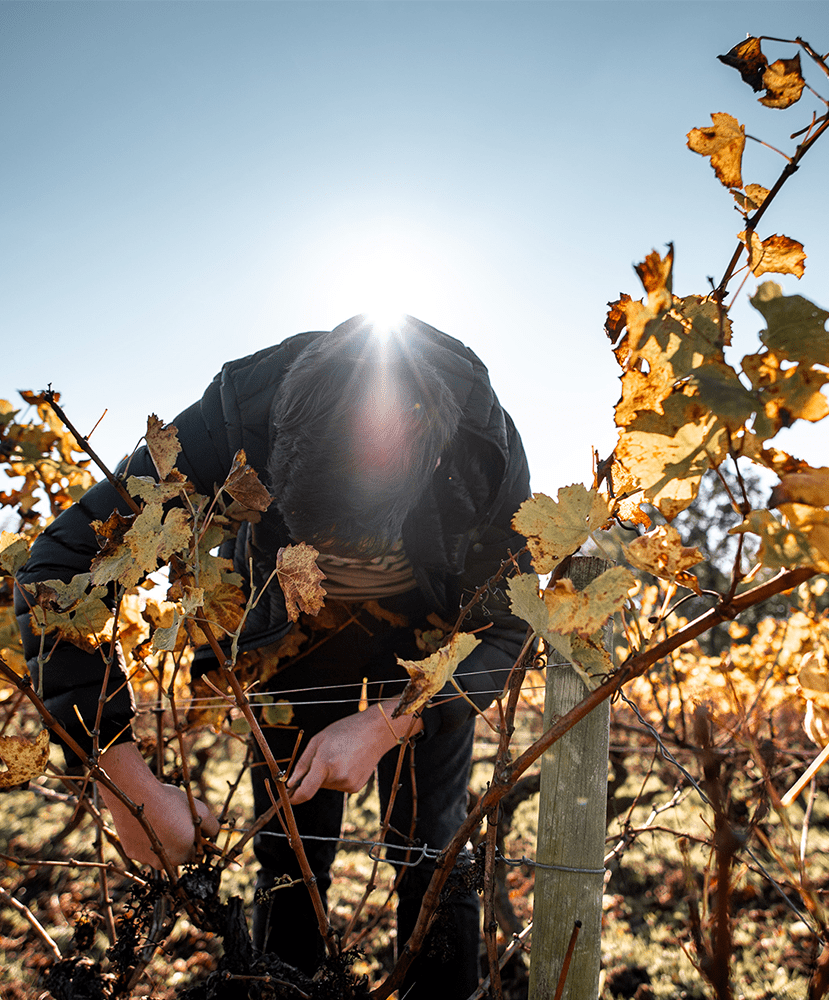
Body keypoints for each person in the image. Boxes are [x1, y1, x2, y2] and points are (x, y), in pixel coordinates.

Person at [15, 314, 532, 997]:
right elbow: (54, 573)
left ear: (431, 458)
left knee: (430, 851)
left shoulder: (484, 448)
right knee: (288, 849)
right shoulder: (233, 417)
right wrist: (129, 788)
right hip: (288, 639)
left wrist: (387, 722)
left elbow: (507, 629)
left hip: (426, 644)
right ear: (268, 444)